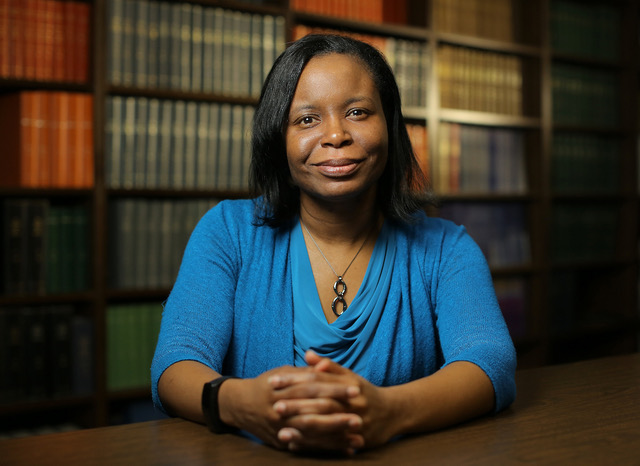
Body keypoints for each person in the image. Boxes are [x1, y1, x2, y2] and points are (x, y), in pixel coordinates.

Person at [151, 33, 516, 455]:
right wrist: (237, 402)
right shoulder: (227, 231)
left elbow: (491, 363)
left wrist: (387, 412)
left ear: (390, 124)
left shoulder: (446, 249)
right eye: (307, 119)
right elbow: (174, 366)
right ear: (278, 138)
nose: (336, 135)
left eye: (358, 112)